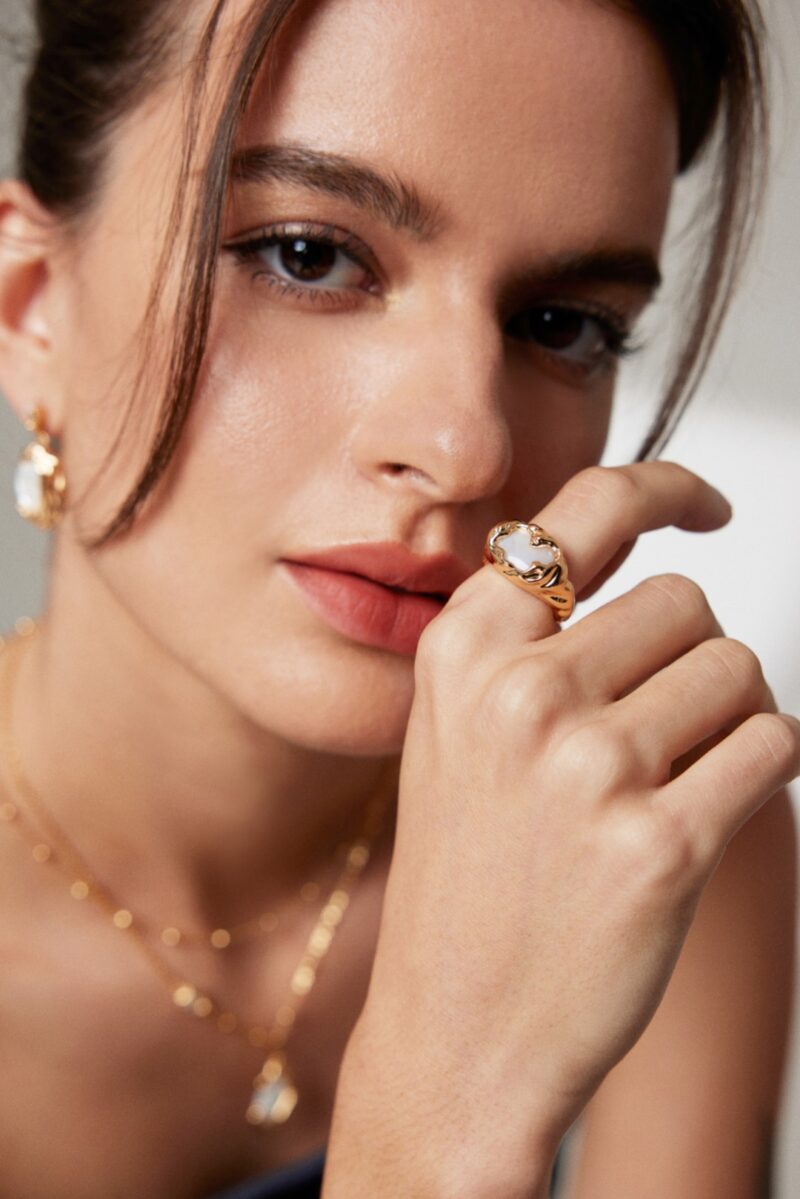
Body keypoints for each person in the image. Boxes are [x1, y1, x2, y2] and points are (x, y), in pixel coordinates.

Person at [0, 1, 797, 1196]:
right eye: (307, 254)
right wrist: (440, 1118)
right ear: (31, 306)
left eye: (559, 324)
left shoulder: (639, 828)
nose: (466, 447)